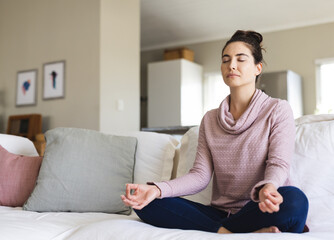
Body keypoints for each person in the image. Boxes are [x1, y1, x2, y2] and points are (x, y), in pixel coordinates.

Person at [121, 30, 309, 234]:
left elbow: (278, 163)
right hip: (221, 214)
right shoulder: (210, 119)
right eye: (226, 60)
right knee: (148, 202)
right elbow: (200, 175)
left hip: (260, 208)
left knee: (295, 201)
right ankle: (227, 233)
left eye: (241, 59)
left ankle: (222, 231)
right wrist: (157, 189)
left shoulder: (277, 109)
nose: (232, 65)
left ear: (258, 68)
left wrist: (269, 187)